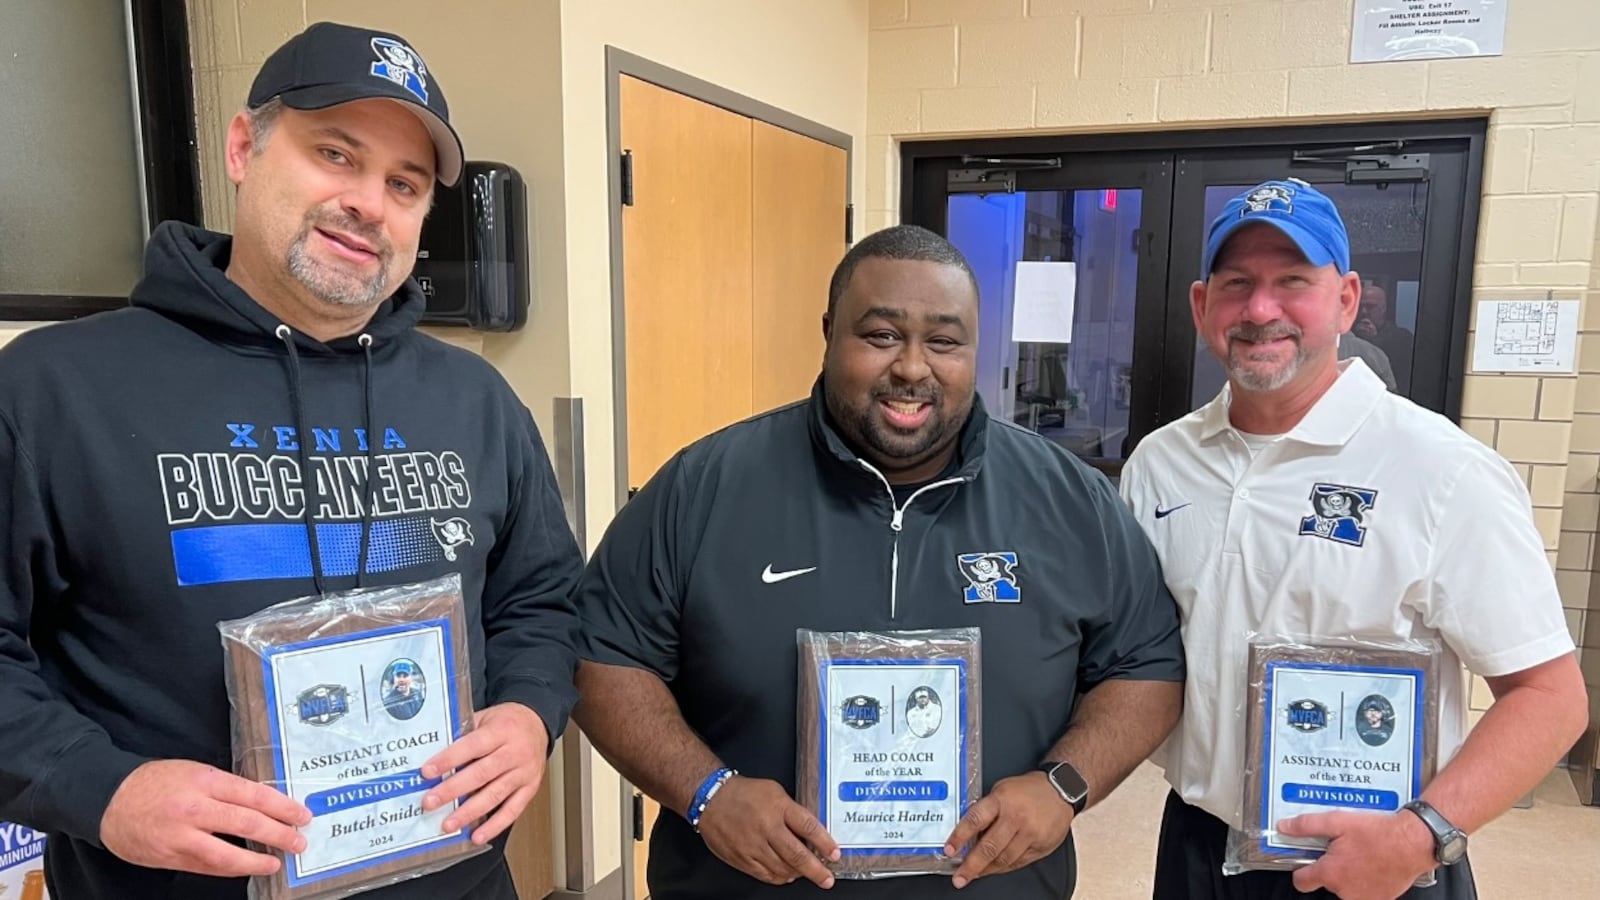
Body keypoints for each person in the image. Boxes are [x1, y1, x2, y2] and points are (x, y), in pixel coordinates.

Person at [0, 22, 584, 900]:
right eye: (335, 155)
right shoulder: (53, 390)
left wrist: (528, 713)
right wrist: (105, 789)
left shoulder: (475, 401)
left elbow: (541, 598)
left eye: (404, 184)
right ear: (244, 147)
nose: (368, 203)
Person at [573, 225, 1186, 899]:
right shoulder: (705, 486)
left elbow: (1147, 665)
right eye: (882, 335)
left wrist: (1063, 786)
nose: (914, 368)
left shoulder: (1069, 500)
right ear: (830, 331)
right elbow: (603, 654)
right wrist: (707, 793)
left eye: (944, 342)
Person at [1120, 179, 1588, 900]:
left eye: (1293, 282)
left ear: (1344, 300)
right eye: (1237, 283)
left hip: (1381, 861)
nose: (1261, 309)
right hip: (1197, 842)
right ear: (1201, 305)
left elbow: (1550, 696)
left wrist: (1418, 835)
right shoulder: (1160, 463)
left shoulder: (1442, 469)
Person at [1353, 280, 1414, 391]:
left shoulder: (1401, 338)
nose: (1364, 312)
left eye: (1370, 307)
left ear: (1383, 308)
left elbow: (1399, 372)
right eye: (1360, 306)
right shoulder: (1347, 335)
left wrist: (1374, 340)